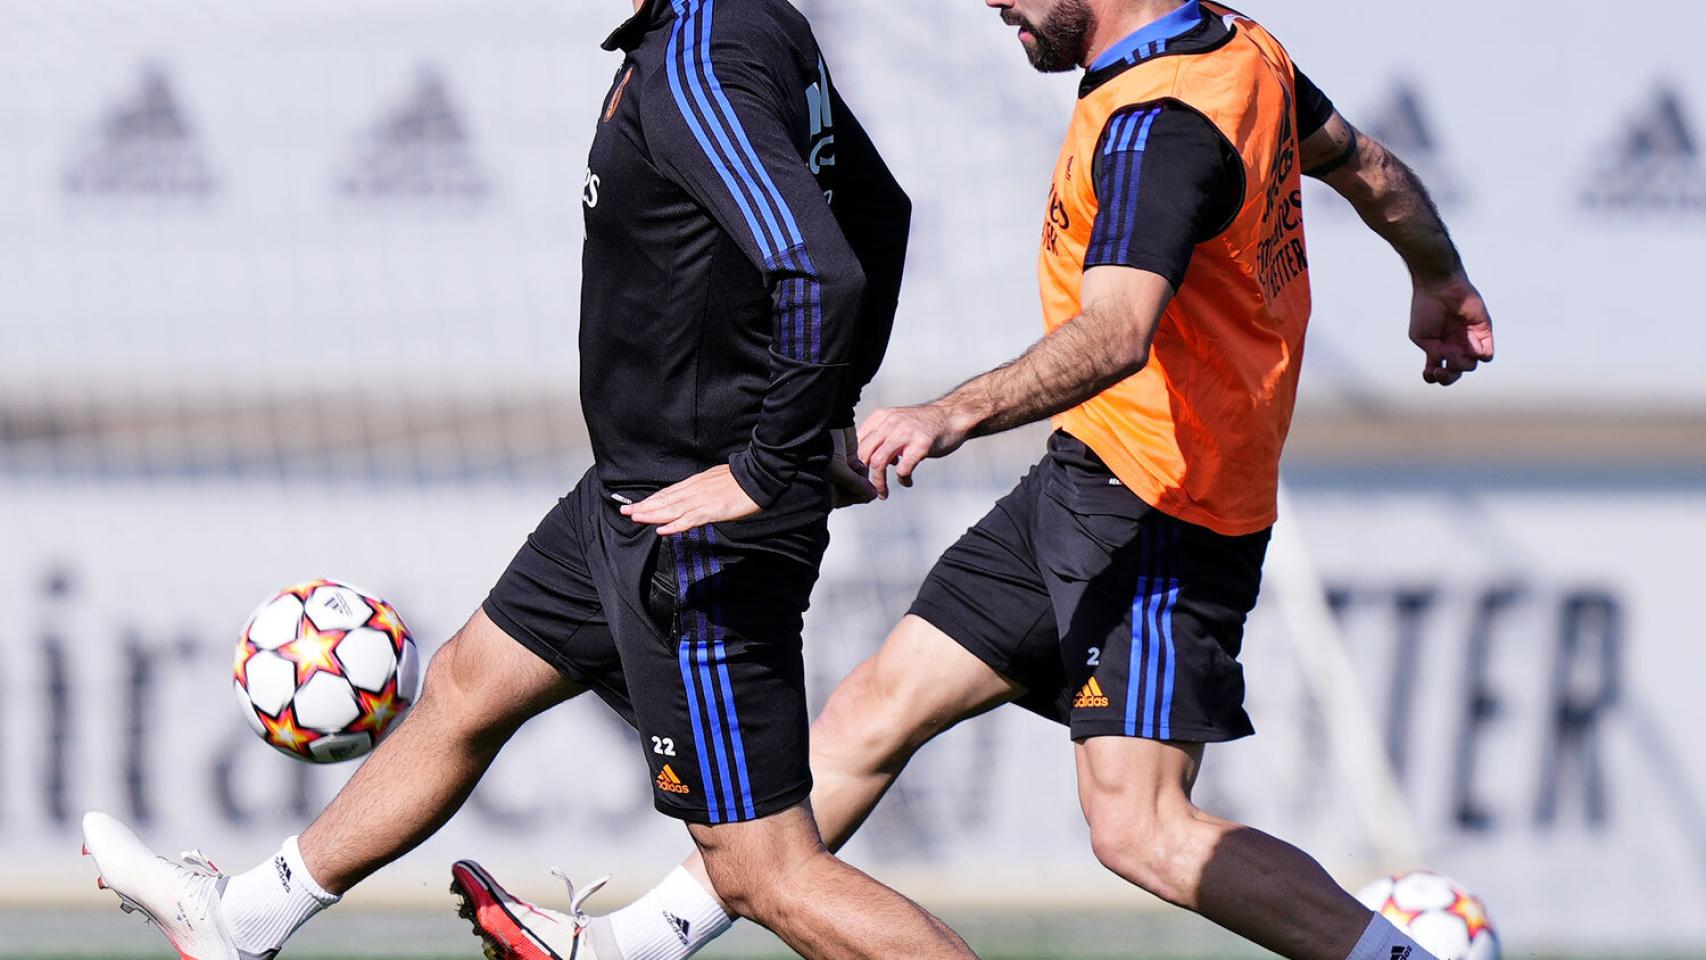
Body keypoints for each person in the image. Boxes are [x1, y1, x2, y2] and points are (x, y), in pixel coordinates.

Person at [458, 2, 1497, 960]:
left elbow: (1115, 332)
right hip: (1083, 478)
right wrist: (1437, 278)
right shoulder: (1237, 46)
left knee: (1140, 830)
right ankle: (632, 944)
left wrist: (946, 414)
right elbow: (1363, 164)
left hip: (1160, 513)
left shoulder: (1155, 128)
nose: (992, 2)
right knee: (871, 712)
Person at [77, 1, 973, 959]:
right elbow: (878, 211)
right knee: (466, 682)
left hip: (692, 525)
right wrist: (821, 419)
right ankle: (243, 920)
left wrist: (771, 461)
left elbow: (821, 268)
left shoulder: (701, 51)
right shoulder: (737, 23)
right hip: (626, 496)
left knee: (766, 872)